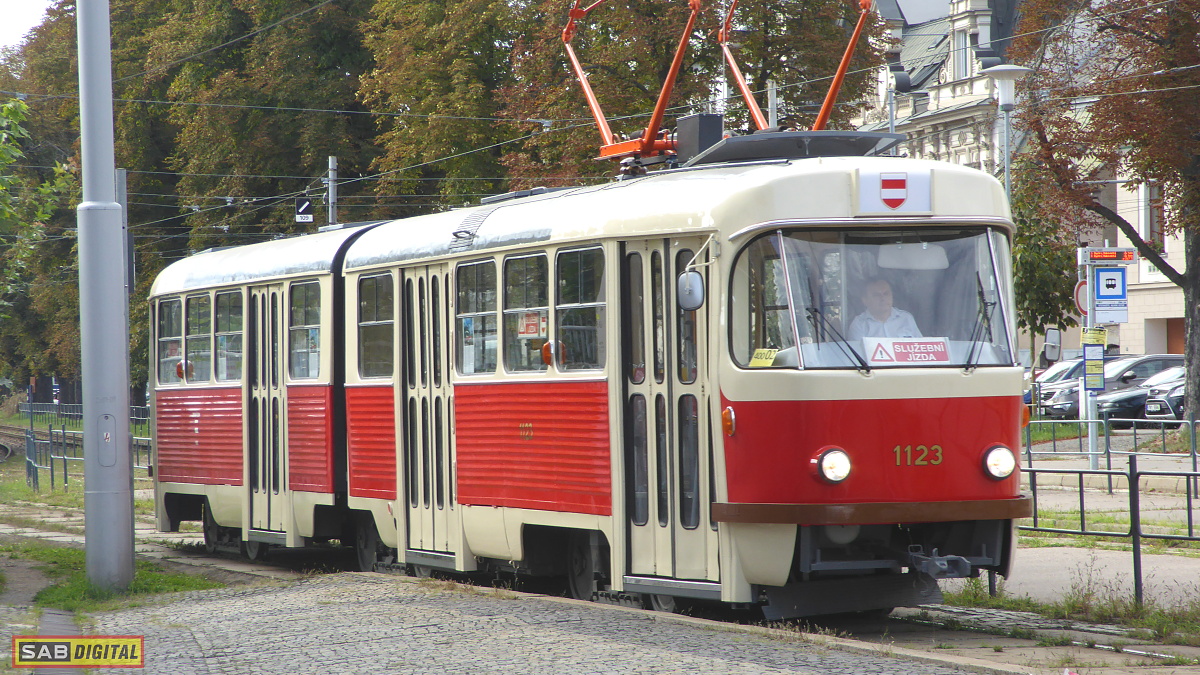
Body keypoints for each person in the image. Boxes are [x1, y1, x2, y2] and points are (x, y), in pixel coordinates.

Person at [847, 277, 922, 340]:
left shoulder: (906, 318)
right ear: (865, 300)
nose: (882, 298)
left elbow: (921, 348)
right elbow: (856, 352)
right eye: (876, 295)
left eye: (886, 294)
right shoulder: (859, 324)